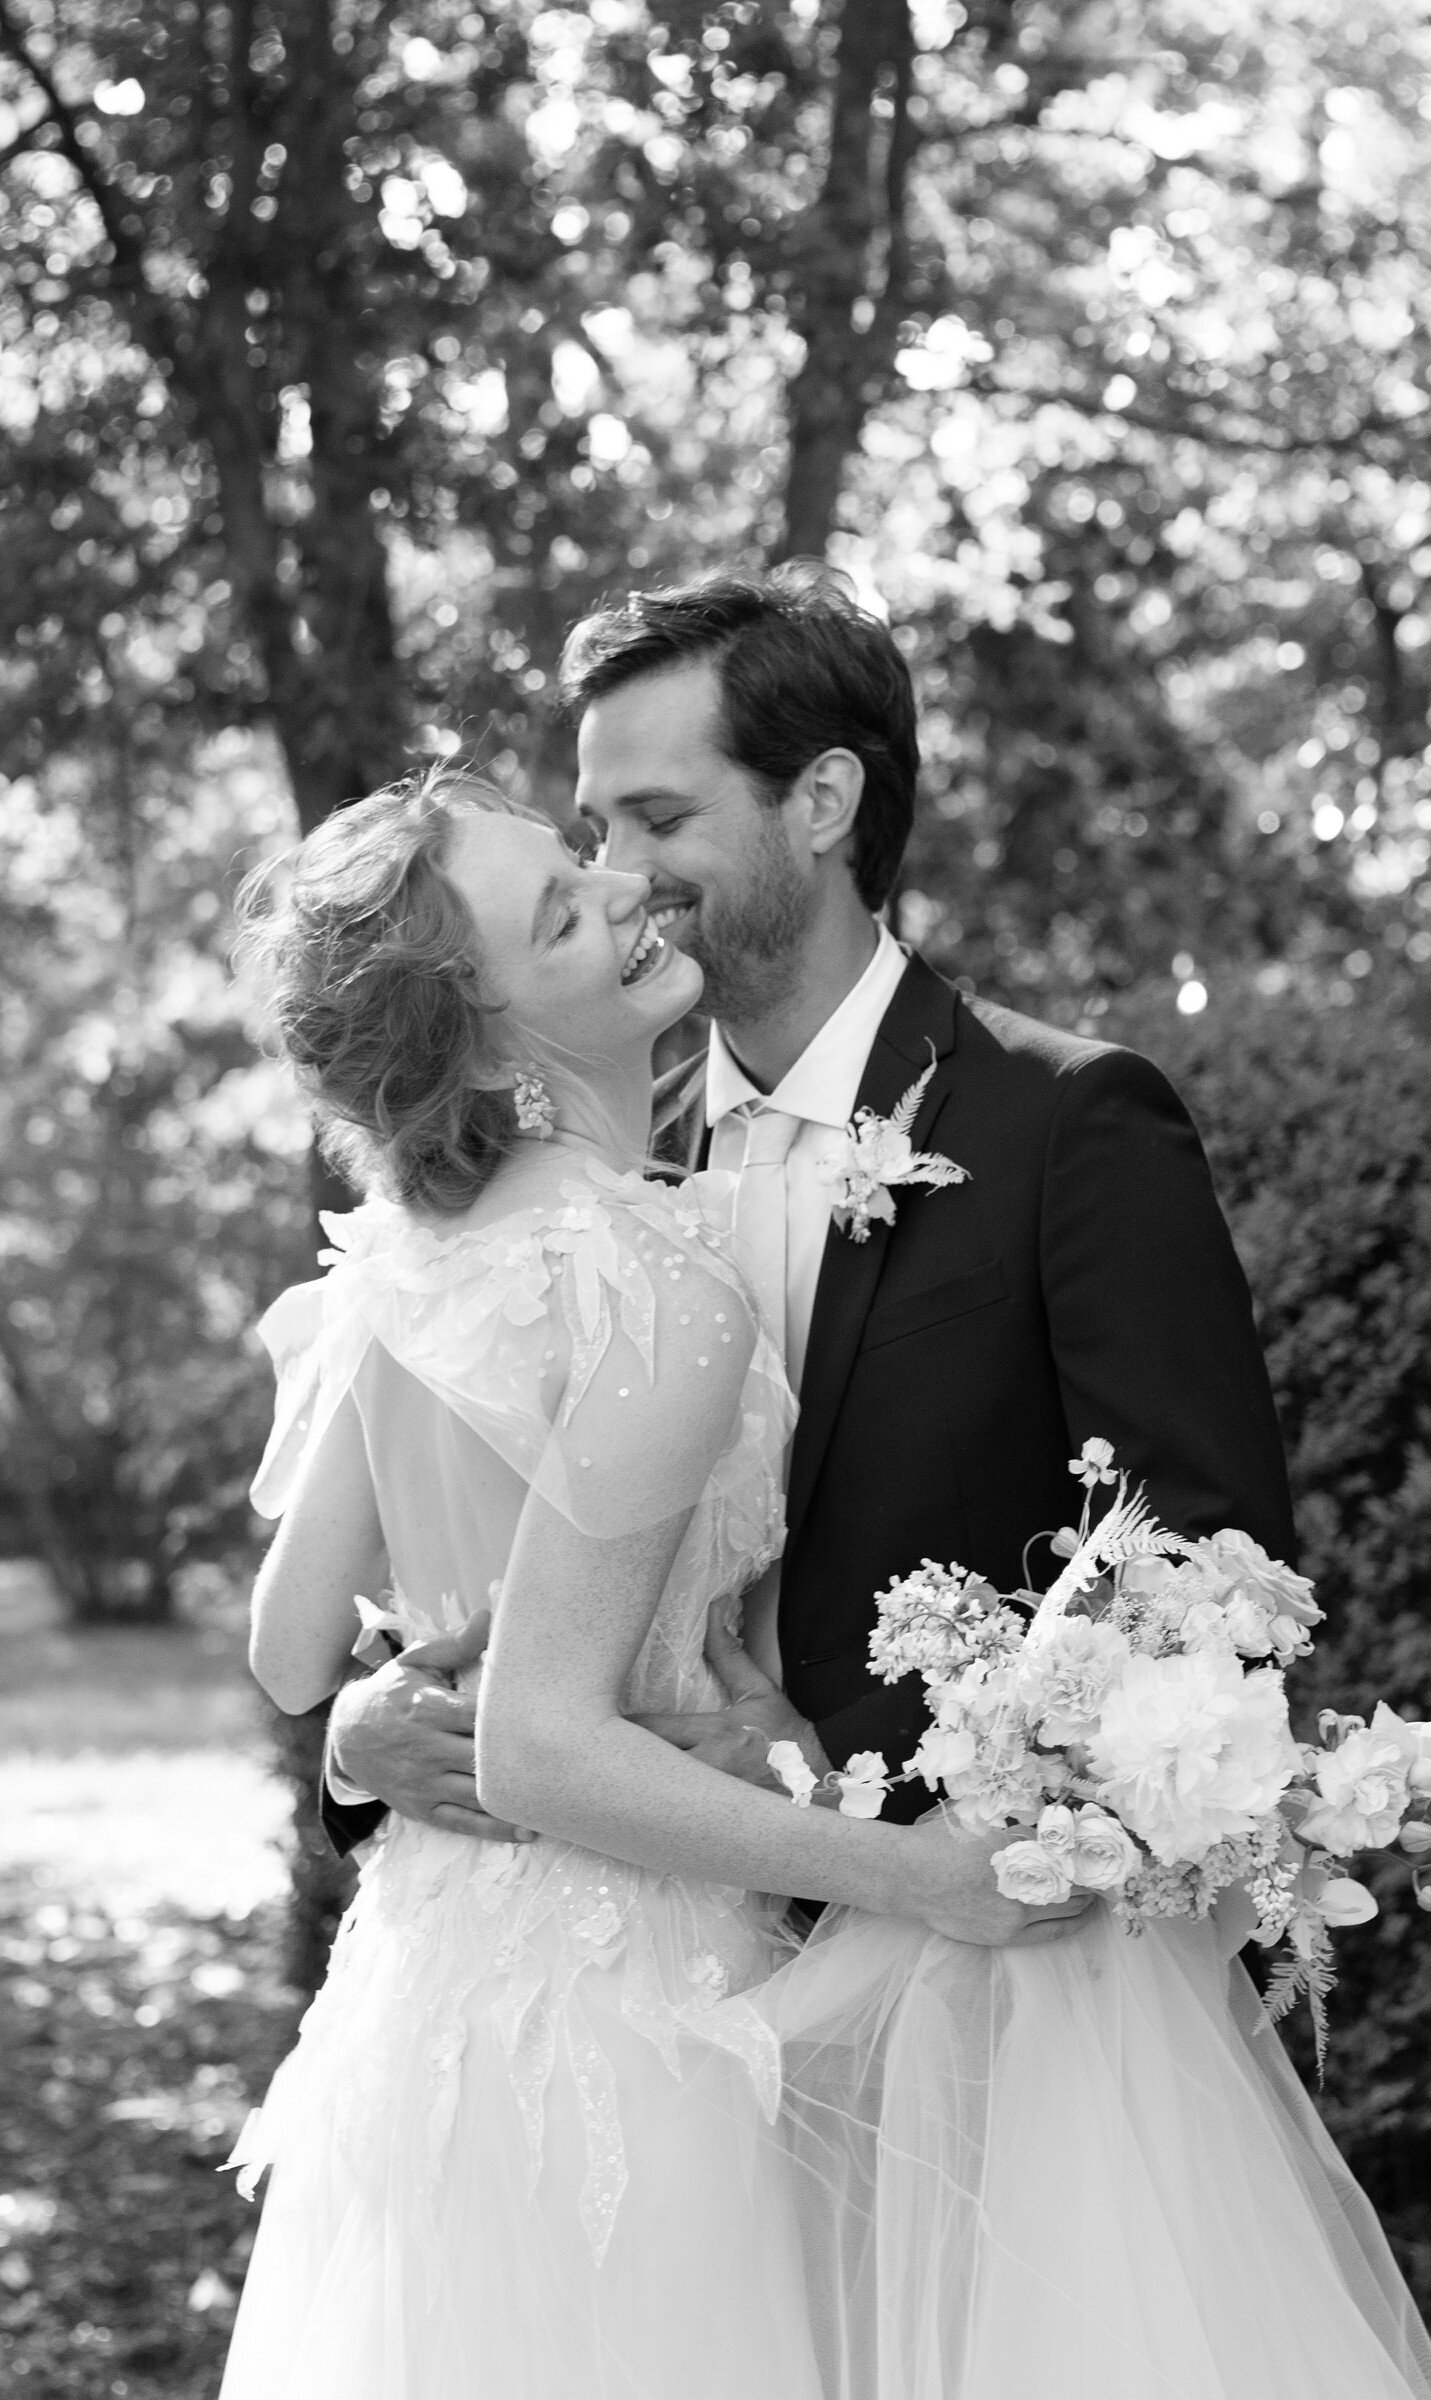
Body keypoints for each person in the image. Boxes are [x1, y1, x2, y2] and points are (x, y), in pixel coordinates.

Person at [218, 774, 1084, 2400]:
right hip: (624, 2019)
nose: (624, 891)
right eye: (562, 910)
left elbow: (285, 1650)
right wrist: (914, 1876)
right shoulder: (648, 1285)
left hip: (419, 2007)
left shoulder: (410, 1262)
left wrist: (368, 1719)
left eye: (583, 864)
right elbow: (539, 1745)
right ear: (483, 1042)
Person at [323, 566, 1297, 1842]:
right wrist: (359, 1741)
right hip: (653, 1972)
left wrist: (842, 1770)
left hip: (957, 1954)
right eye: (594, 830)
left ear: (824, 800)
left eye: (660, 819)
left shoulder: (1068, 1124)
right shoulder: (579, 1183)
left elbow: (1206, 1583)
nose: (619, 875)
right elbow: (473, 1563)